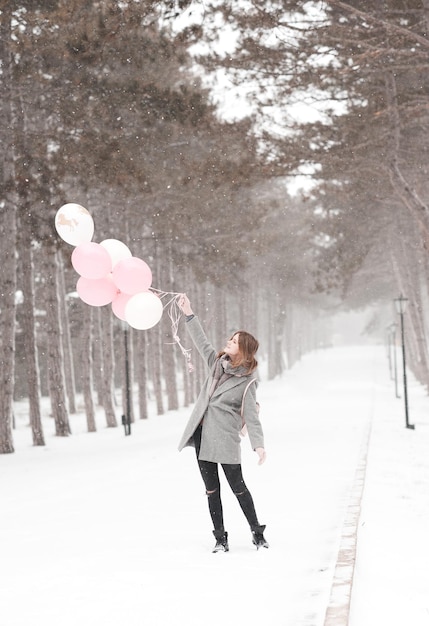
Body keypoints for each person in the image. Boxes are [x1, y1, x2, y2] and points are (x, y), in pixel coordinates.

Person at [177, 293, 269, 553]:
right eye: (230, 339)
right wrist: (189, 313)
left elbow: (251, 416)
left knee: (238, 487)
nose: (228, 342)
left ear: (244, 351)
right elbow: (202, 343)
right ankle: (220, 538)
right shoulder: (217, 365)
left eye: (235, 341)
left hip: (226, 437)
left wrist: (258, 446)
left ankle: (257, 532)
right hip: (203, 435)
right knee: (211, 490)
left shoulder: (247, 380)